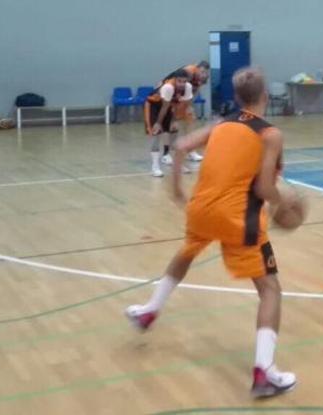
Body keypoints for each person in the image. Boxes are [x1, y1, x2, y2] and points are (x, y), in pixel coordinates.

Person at [126, 67, 298, 398]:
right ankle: (264, 372)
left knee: (187, 251)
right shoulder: (270, 134)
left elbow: (179, 148)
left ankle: (150, 310)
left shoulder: (221, 124)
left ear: (237, 98)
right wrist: (285, 201)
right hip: (237, 217)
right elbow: (263, 187)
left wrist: (177, 190)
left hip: (201, 209)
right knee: (270, 290)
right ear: (264, 97)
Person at [145, 69, 193, 177]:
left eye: (184, 81)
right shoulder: (168, 87)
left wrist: (174, 120)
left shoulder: (188, 88)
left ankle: (176, 163)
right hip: (154, 106)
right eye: (179, 81)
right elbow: (164, 107)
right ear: (175, 80)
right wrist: (158, 123)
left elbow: (181, 105)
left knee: (175, 131)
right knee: (156, 133)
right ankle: (155, 166)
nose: (182, 84)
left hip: (169, 106)